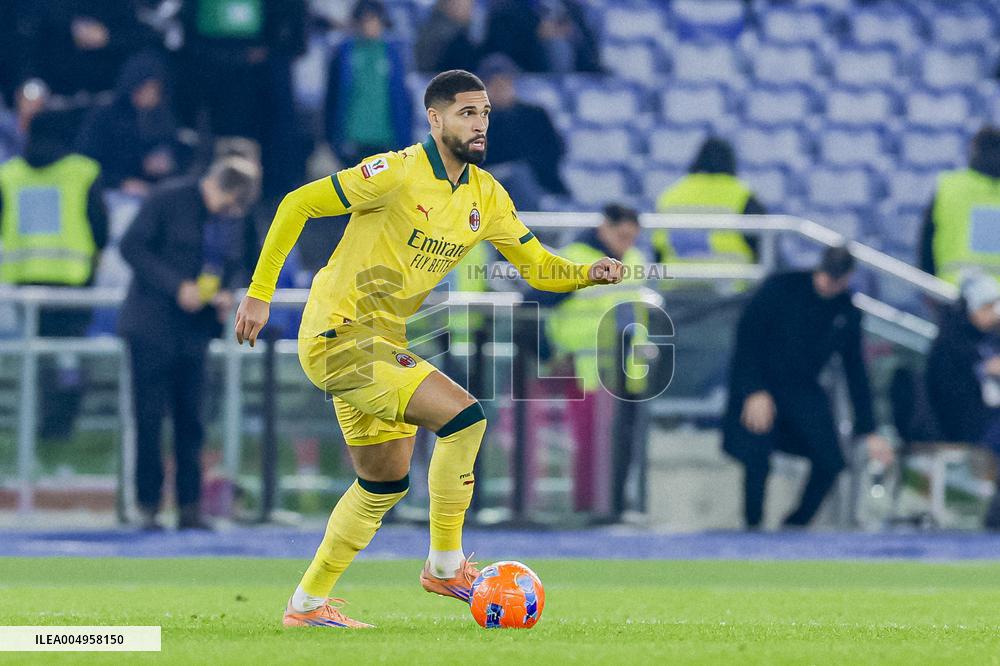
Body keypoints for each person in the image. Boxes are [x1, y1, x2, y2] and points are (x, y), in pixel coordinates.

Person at [234, 69, 624, 628]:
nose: (481, 122)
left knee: (384, 481)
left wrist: (589, 271)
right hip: (338, 334)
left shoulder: (487, 196)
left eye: (485, 112)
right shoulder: (394, 172)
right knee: (465, 418)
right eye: (468, 112)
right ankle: (445, 565)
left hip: (379, 341)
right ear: (435, 119)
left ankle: (306, 605)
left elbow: (538, 267)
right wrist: (258, 295)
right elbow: (296, 203)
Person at [119, 156, 260, 531]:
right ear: (222, 187)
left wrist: (228, 293)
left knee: (192, 421)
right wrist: (176, 286)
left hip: (195, 331)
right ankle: (147, 505)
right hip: (151, 325)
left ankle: (190, 507)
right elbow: (131, 247)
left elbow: (241, 262)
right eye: (230, 203)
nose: (231, 212)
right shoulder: (168, 199)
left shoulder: (233, 218)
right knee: (149, 419)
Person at [722, 246, 894, 530]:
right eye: (827, 274)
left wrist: (869, 428)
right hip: (762, 383)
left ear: (848, 278)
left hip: (802, 390)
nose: (829, 282)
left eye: (837, 278)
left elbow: (856, 372)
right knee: (757, 457)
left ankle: (794, 525)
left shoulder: (846, 311)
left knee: (831, 460)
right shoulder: (780, 288)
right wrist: (753, 390)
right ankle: (752, 526)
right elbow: (747, 341)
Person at [0, 110, 108, 439]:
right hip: (74, 279)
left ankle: (37, 421)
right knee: (70, 354)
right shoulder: (83, 171)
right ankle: (63, 421)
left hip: (24, 278)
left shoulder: (10, 173)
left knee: (36, 354)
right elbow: (99, 226)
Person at [537, 204, 648, 518]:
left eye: (632, 237)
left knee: (622, 442)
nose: (627, 243)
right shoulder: (574, 258)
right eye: (622, 235)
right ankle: (588, 507)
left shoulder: (635, 259)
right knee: (589, 444)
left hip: (628, 367)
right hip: (585, 366)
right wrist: (551, 352)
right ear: (604, 228)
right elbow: (541, 303)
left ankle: (614, 505)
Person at [925, 271, 1000, 529]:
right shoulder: (951, 339)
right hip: (962, 419)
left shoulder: (991, 337)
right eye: (988, 307)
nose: (993, 314)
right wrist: (982, 369)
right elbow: (946, 393)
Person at [76, 52, 183, 197]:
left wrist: (165, 163)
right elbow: (85, 160)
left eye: (156, 90)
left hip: (150, 193)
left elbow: (173, 152)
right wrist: (120, 182)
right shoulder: (104, 116)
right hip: (107, 191)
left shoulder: (162, 118)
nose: (151, 95)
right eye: (147, 88)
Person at [324, 0, 412, 169]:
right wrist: (331, 136)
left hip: (385, 138)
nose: (368, 26)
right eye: (364, 20)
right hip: (352, 137)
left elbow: (402, 98)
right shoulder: (344, 53)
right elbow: (332, 96)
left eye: (373, 20)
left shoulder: (393, 54)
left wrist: (404, 137)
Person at [653, 137, 765, 266]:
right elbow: (762, 247)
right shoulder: (743, 196)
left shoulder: (669, 195)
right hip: (732, 282)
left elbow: (658, 248)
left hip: (676, 282)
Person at [479, 54, 568, 210]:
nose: (500, 88)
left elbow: (554, 152)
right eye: (494, 84)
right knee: (517, 175)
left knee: (523, 177)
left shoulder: (536, 114)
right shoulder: (474, 120)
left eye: (505, 82)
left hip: (538, 181)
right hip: (489, 180)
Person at [919, 126, 1000, 285]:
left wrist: (927, 283)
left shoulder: (948, 186)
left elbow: (926, 240)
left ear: (974, 149)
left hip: (951, 290)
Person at [414, 0, 477, 73]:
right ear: (447, 4)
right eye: (463, 4)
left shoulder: (463, 31)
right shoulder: (447, 34)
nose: (470, 10)